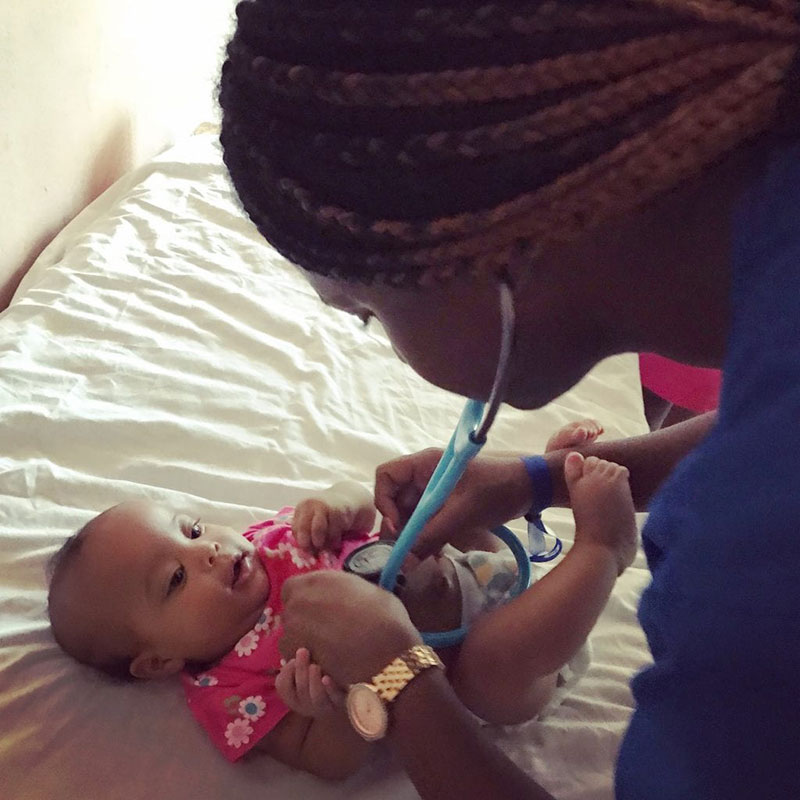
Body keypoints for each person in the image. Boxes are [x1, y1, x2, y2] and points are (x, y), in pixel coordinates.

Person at [217, 2, 800, 797]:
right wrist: (535, 480)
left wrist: (401, 683)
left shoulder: (753, 571)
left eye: (365, 311)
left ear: (493, 254)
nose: (379, 336)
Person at [47, 421, 636, 781]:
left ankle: (540, 490)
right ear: (157, 660)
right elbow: (331, 763)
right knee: (493, 660)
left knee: (438, 504)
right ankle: (602, 549)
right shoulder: (229, 689)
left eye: (194, 529)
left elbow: (358, 511)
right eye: (174, 580)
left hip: (459, 566)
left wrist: (340, 502)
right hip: (468, 673)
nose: (206, 552)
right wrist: (324, 709)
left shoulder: (265, 543)